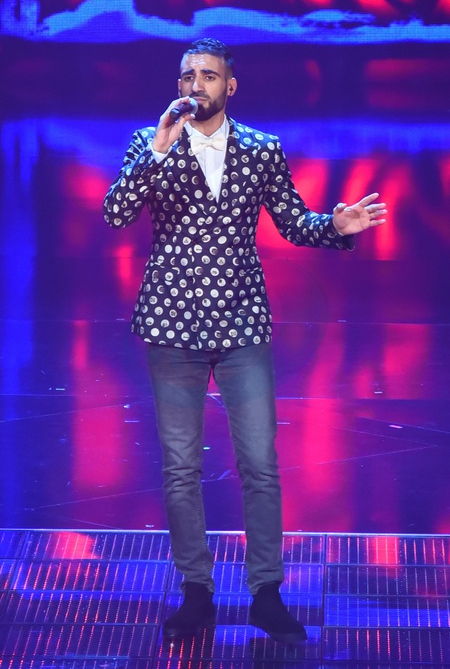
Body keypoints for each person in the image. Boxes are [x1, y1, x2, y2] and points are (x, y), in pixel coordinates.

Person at [103, 38, 387, 644]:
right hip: (171, 326)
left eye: (208, 76)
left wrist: (335, 226)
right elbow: (115, 213)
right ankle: (196, 591)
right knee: (181, 467)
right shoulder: (150, 143)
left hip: (241, 326)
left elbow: (293, 221)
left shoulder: (261, 149)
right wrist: (157, 150)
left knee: (260, 463)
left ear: (229, 86)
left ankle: (266, 593)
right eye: (188, 76)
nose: (196, 85)